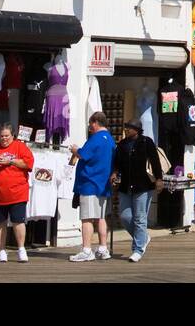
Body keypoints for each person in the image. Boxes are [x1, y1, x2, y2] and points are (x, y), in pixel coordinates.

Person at [0, 124, 35, 263]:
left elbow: (28, 164)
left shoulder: (20, 147)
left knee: (18, 221)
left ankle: (21, 249)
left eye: (7, 136)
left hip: (17, 193)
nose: (4, 139)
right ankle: (2, 251)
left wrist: (11, 161)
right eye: (2, 136)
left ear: (13, 136)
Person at [111, 119, 161, 263]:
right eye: (126, 127)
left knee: (140, 218)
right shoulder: (122, 144)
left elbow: (155, 161)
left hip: (143, 185)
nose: (126, 130)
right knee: (125, 216)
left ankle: (138, 249)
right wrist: (114, 172)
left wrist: (159, 179)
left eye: (129, 128)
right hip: (126, 186)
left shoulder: (146, 142)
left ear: (137, 129)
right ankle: (143, 237)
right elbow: (117, 163)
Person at [69, 111, 116, 262]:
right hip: (103, 185)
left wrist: (75, 150)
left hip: (90, 183)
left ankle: (87, 250)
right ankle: (103, 248)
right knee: (101, 217)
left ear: (95, 123)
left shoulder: (95, 138)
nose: (90, 128)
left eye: (90, 125)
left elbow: (84, 154)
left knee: (87, 218)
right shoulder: (110, 139)